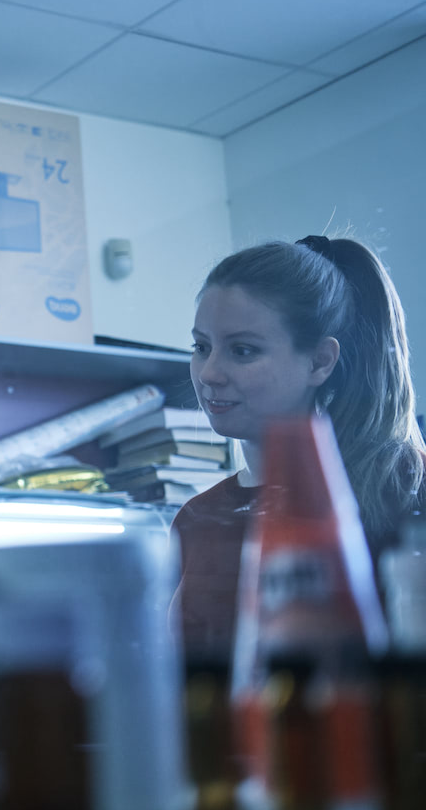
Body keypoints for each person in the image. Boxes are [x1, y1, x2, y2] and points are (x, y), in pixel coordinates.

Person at [173, 235, 426, 653]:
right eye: (201, 347)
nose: (209, 373)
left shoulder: (407, 487)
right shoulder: (196, 519)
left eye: (243, 350)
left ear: (320, 361)